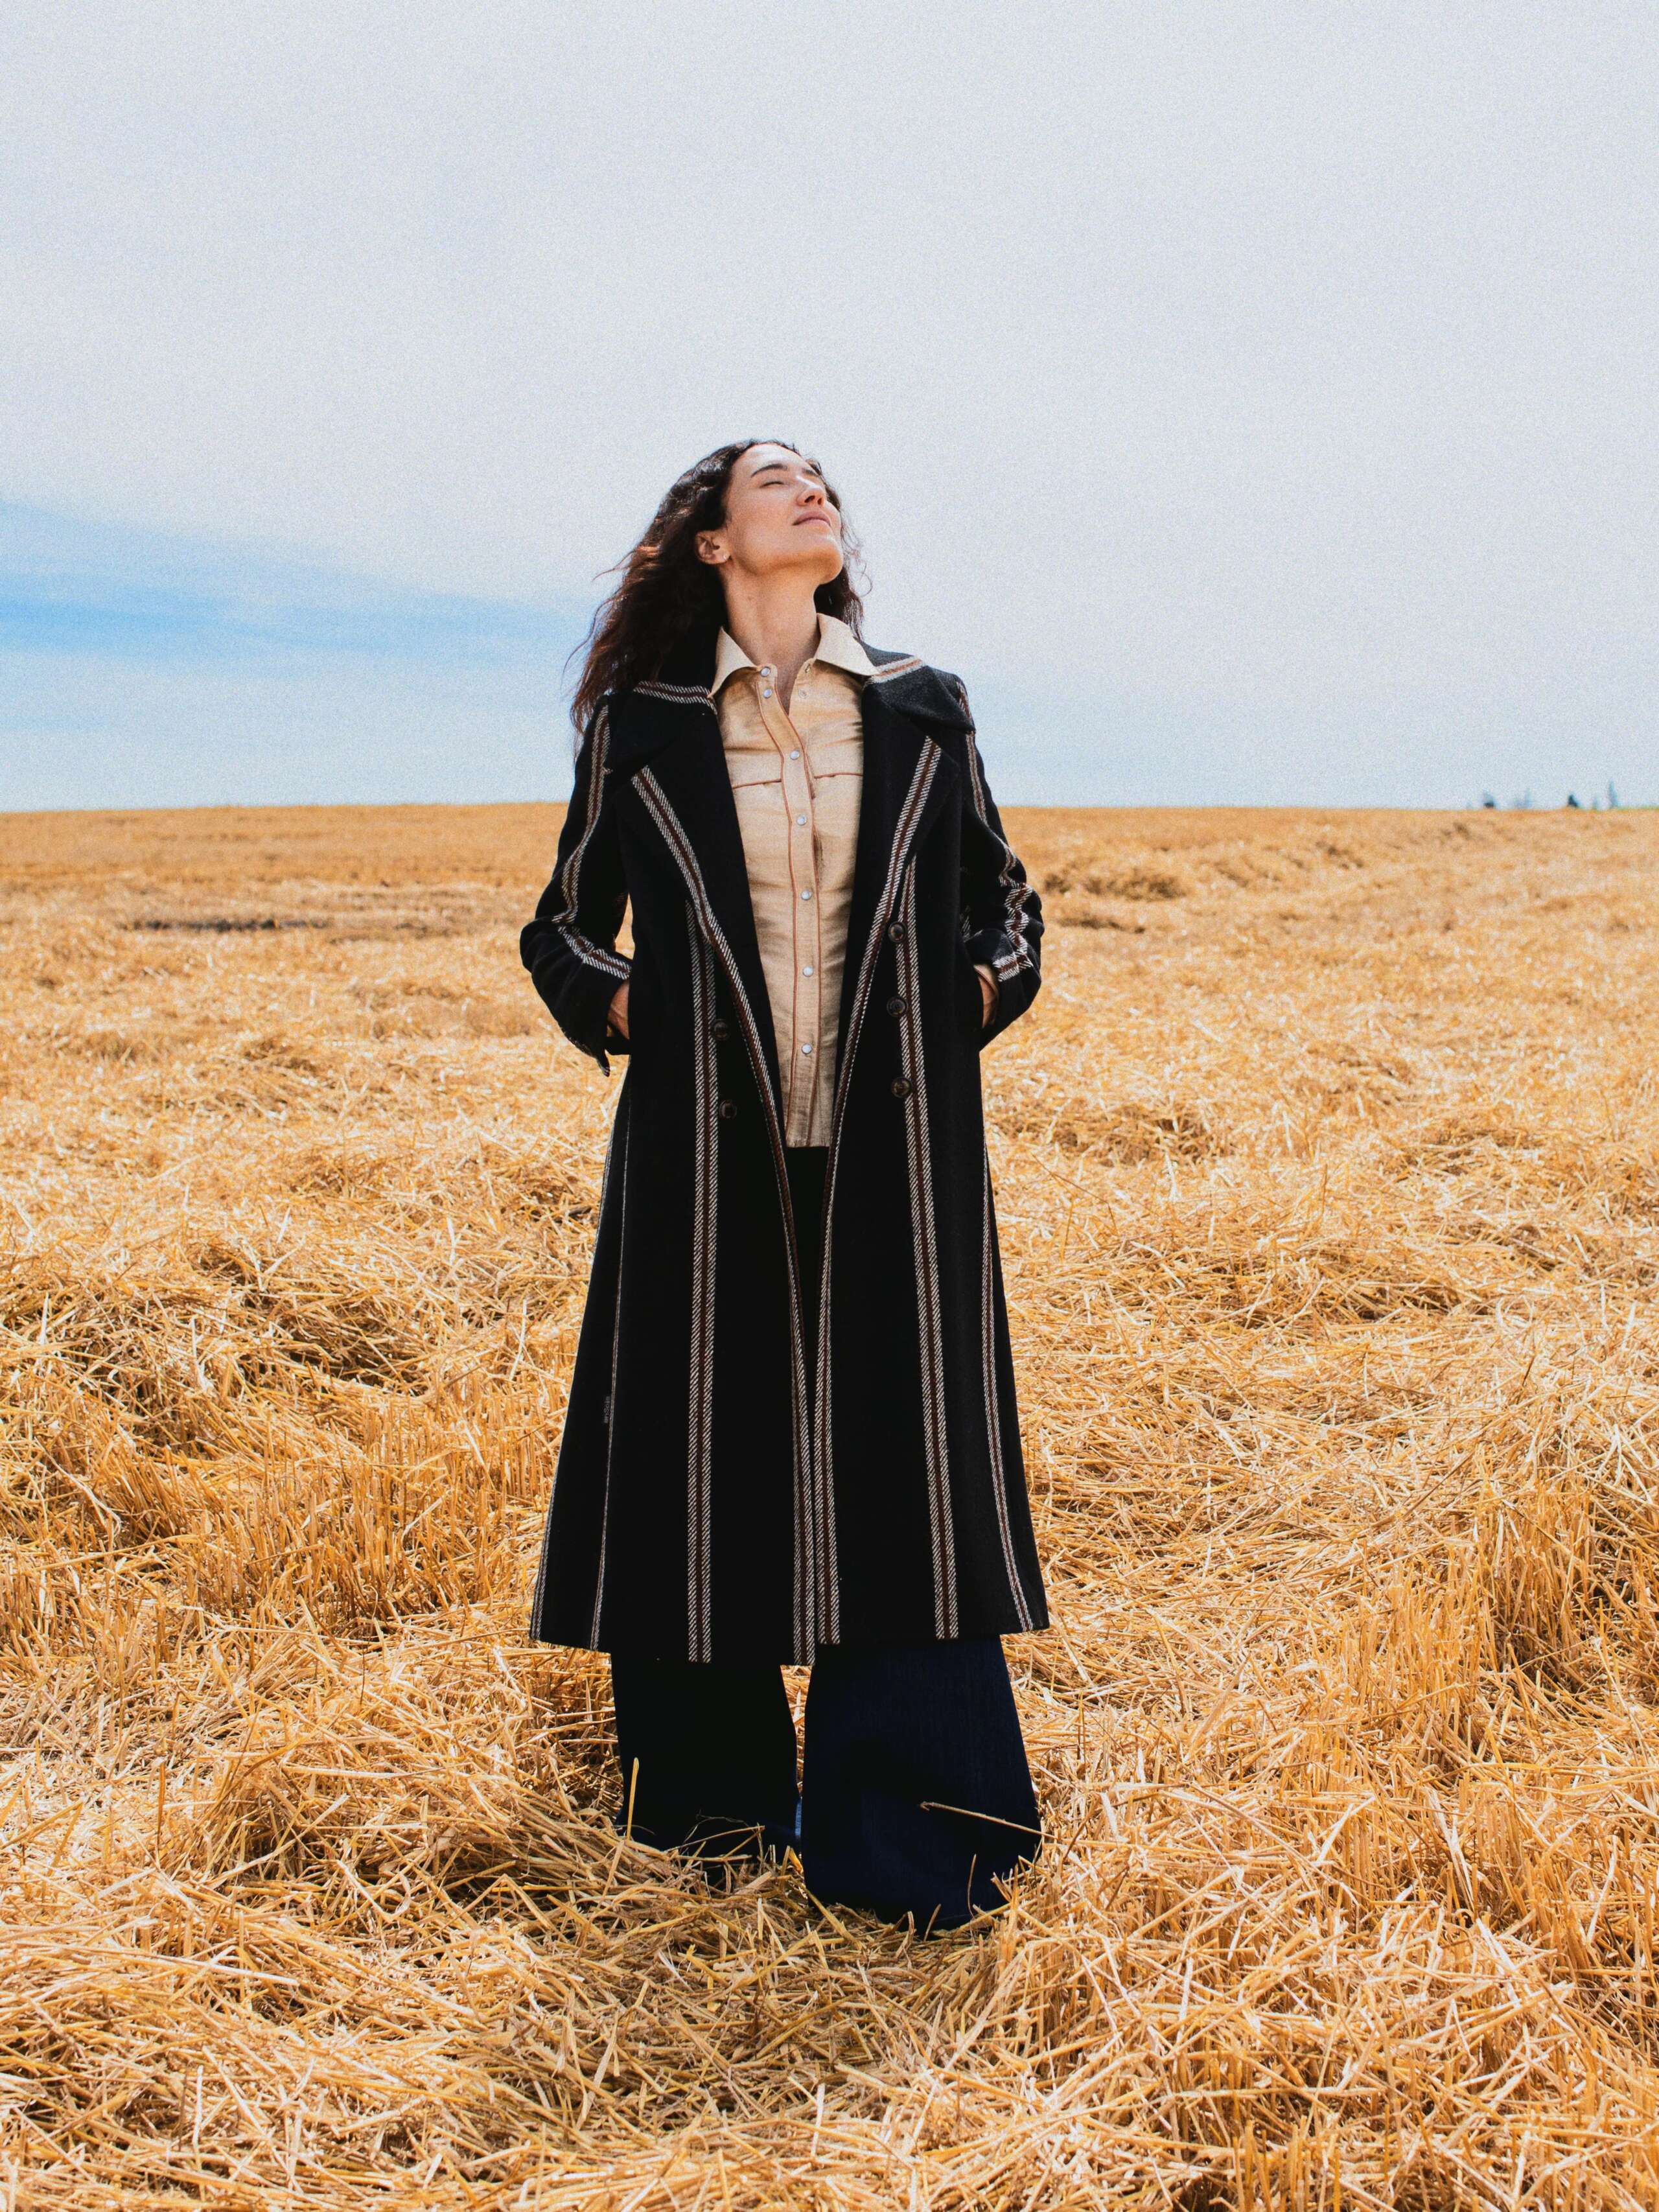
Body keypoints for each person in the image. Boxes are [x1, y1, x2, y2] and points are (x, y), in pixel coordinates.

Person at [521, 441, 1048, 1929]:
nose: (812, 488)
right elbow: (562, 926)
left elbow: (1001, 899)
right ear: (708, 542)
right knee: (704, 1445)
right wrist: (633, 1011)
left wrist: (967, 1001)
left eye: (821, 478)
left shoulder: (920, 705)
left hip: (895, 1141)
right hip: (704, 1147)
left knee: (907, 1458)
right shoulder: (643, 725)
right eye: (773, 478)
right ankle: (708, 1813)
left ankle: (916, 1838)